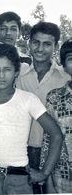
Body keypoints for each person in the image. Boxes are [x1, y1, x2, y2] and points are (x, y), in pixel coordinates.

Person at [0, 43, 63, 194]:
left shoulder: (28, 100)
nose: (1, 75)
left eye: (7, 70)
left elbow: (56, 134)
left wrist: (44, 172)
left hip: (18, 179)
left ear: (16, 72)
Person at [16, 22, 70, 193]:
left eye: (47, 44)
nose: (40, 48)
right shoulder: (18, 74)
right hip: (21, 150)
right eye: (36, 42)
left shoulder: (64, 77)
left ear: (55, 46)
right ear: (29, 43)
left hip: (55, 153)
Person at [40, 39, 72, 193]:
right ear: (64, 66)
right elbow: (48, 140)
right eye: (71, 59)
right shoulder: (54, 98)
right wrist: (47, 179)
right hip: (62, 177)